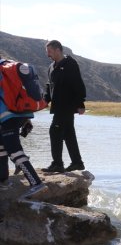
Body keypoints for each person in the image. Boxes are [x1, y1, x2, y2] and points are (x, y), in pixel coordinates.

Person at [0, 57, 48, 198]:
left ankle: (36, 183)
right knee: (1, 146)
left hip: (7, 116)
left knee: (14, 151)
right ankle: (3, 180)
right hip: (20, 113)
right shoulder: (8, 65)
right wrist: (26, 120)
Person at [42, 40, 87, 173]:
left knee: (54, 131)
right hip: (57, 105)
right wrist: (45, 100)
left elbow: (77, 83)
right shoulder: (51, 67)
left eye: (49, 52)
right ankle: (77, 162)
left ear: (58, 50)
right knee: (68, 133)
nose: (48, 55)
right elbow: (49, 85)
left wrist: (80, 103)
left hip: (67, 105)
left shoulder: (70, 64)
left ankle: (57, 164)